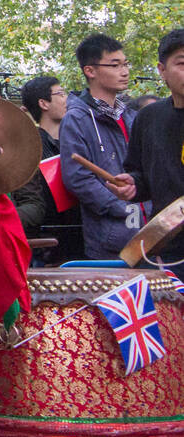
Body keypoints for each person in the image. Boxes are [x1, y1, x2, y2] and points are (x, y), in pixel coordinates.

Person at [59, 34, 145, 260]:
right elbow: (78, 178)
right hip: (110, 238)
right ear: (90, 70)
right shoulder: (76, 119)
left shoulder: (132, 116)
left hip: (148, 230)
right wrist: (124, 208)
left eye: (126, 64)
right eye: (115, 65)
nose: (124, 71)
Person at [111, 30, 184, 263]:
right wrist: (133, 185)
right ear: (162, 70)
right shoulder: (149, 118)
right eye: (182, 63)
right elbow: (140, 174)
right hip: (166, 245)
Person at [11, 75, 82, 263]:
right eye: (60, 93)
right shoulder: (28, 146)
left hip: (81, 236)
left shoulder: (77, 141)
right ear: (43, 103)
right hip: (46, 243)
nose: (67, 99)